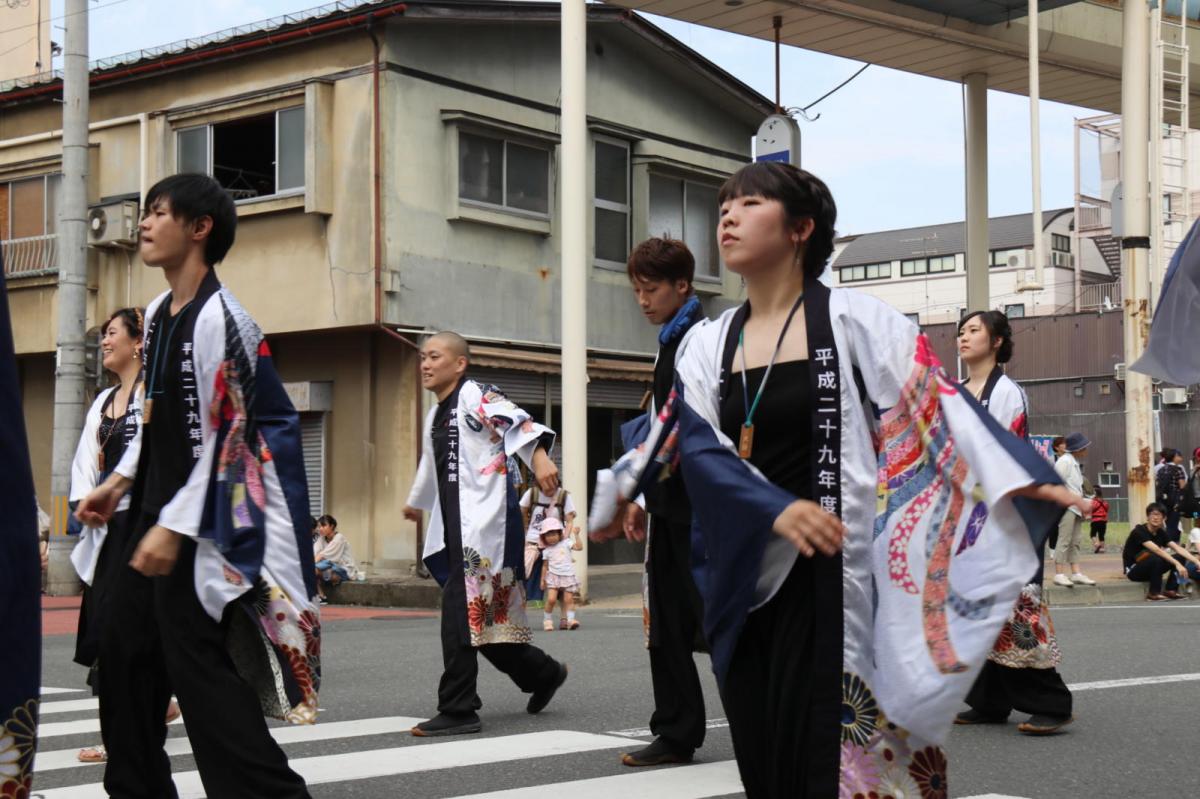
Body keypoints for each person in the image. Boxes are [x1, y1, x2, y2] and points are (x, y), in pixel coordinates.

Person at [589, 161, 1085, 798]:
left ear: (801, 228)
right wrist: (626, 485)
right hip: (741, 573)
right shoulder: (708, 343)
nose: (729, 217)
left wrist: (1020, 477)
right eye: (723, 208)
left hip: (832, 567)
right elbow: (685, 434)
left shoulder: (857, 321)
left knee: (836, 751)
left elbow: (935, 406)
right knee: (763, 753)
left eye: (748, 203)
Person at [75, 173, 318, 799]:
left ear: (199, 228)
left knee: (199, 672)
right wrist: (121, 479)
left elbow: (235, 440)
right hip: (149, 511)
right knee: (122, 657)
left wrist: (173, 526)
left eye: (159, 213)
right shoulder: (157, 314)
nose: (145, 224)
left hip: (204, 521)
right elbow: (153, 412)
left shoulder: (225, 320)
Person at [402, 332, 568, 737]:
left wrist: (540, 456)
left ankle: (458, 709)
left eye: (435, 356)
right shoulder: (436, 413)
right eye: (422, 357)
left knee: (461, 612)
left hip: (486, 523)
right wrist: (416, 501)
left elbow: (516, 419)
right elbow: (431, 466)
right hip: (458, 524)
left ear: (459, 364)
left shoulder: (474, 393)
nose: (425, 364)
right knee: (485, 618)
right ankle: (542, 673)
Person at [600, 236, 709, 768]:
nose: (642, 300)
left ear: (681, 286)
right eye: (637, 291)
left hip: (699, 510)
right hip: (671, 502)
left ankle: (755, 725)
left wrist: (629, 488)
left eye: (651, 289)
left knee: (716, 622)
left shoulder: (697, 339)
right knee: (665, 623)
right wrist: (643, 495)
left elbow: (680, 425)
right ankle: (676, 732)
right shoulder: (671, 338)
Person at [68, 307, 182, 764]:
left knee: (132, 631)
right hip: (110, 528)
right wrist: (88, 499)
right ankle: (135, 721)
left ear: (139, 342)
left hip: (147, 523)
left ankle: (136, 725)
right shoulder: (103, 401)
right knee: (105, 632)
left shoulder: (150, 395)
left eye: (112, 333)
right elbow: (84, 460)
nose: (104, 341)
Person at [952, 310, 1074, 736]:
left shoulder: (1008, 393)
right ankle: (989, 700)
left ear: (998, 341)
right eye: (961, 332)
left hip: (1005, 515)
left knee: (1017, 606)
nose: (963, 338)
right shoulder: (954, 391)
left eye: (973, 331)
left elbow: (1005, 455)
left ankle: (1051, 702)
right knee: (974, 608)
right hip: (965, 516)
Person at [519, 484, 576, 605]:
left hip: (556, 545)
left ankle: (565, 619)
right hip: (533, 544)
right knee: (525, 582)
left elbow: (570, 521)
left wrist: (563, 541)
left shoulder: (563, 496)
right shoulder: (532, 493)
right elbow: (522, 511)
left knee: (562, 585)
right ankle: (521, 621)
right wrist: (525, 531)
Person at [1124, 503, 1192, 600]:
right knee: (1157, 557)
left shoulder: (1161, 532)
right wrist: (1177, 564)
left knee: (1180, 557)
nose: (1155, 518)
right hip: (1134, 570)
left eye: (1159, 515)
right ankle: (1153, 593)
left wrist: (1197, 562)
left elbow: (1178, 549)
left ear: (1164, 518)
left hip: (1152, 568)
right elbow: (1157, 550)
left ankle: (1171, 590)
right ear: (1148, 517)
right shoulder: (1139, 531)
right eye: (1153, 514)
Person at [1052, 433, 1095, 587]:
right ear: (1078, 448)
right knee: (1064, 539)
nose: (1086, 449)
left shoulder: (1072, 461)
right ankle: (1059, 574)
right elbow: (1056, 483)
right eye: (1085, 447)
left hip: (1075, 507)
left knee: (1075, 540)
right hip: (1066, 506)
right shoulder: (1065, 462)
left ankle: (1076, 573)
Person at [538, 517, 582, 630]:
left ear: (559, 533)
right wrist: (542, 580)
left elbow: (579, 547)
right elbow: (545, 566)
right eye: (547, 535)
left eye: (553, 534)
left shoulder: (566, 543)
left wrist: (576, 535)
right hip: (553, 576)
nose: (551, 537)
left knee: (568, 600)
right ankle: (547, 620)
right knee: (551, 599)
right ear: (544, 537)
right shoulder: (546, 550)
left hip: (567, 576)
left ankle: (571, 620)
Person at [313, 514, 362, 603]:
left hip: (343, 569)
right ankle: (321, 596)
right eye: (319, 526)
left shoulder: (339, 538)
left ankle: (328, 584)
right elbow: (315, 553)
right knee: (312, 570)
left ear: (332, 526)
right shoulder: (321, 539)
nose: (321, 529)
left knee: (313, 570)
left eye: (324, 526)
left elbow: (323, 555)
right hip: (328, 567)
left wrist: (314, 563)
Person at [1155, 448, 1188, 543]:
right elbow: (1182, 485)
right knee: (1173, 522)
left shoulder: (1161, 469)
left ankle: (1162, 541)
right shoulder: (1178, 469)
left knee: (1163, 521)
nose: (1181, 458)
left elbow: (1157, 483)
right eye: (1179, 456)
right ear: (1174, 457)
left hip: (1162, 499)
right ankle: (1171, 542)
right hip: (1175, 500)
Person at [1090, 487, 1110, 554]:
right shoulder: (1105, 502)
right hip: (1103, 521)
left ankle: (1096, 544)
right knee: (1101, 535)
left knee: (1092, 534)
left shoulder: (1093, 502)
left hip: (1095, 520)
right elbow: (1107, 509)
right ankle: (1102, 549)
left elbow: (1091, 509)